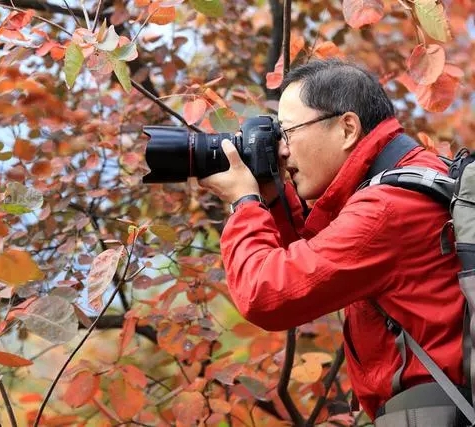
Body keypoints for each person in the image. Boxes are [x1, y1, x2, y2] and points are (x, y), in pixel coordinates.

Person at [198, 59, 467, 423]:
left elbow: (265, 295)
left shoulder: (387, 208)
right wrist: (271, 194)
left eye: (289, 133)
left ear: (347, 128)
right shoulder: (413, 177)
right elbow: (318, 254)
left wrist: (243, 202)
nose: (283, 150)